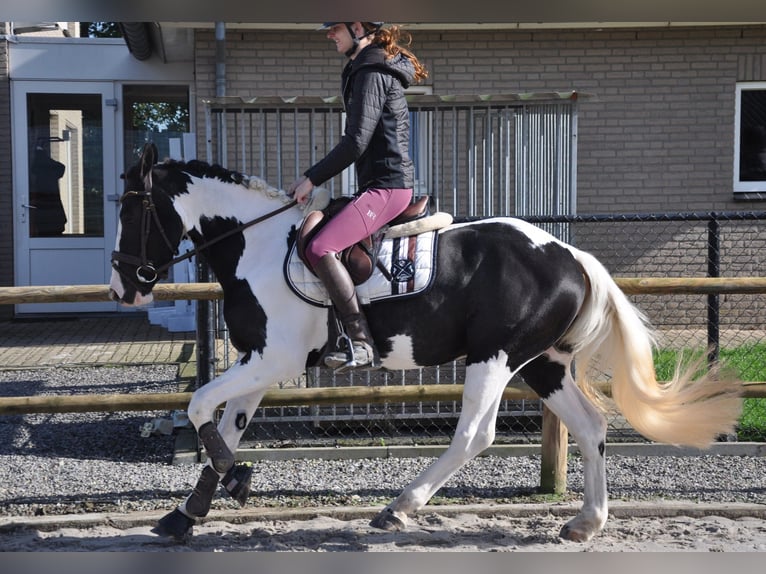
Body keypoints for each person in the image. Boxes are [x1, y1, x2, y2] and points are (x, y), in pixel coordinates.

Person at [288, 22, 428, 371]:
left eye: (334, 28)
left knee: (320, 247)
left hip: (388, 187)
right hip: (378, 185)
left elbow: (355, 143)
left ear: (358, 27)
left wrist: (310, 179)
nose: (328, 34)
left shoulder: (371, 70)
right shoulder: (365, 66)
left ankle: (361, 343)